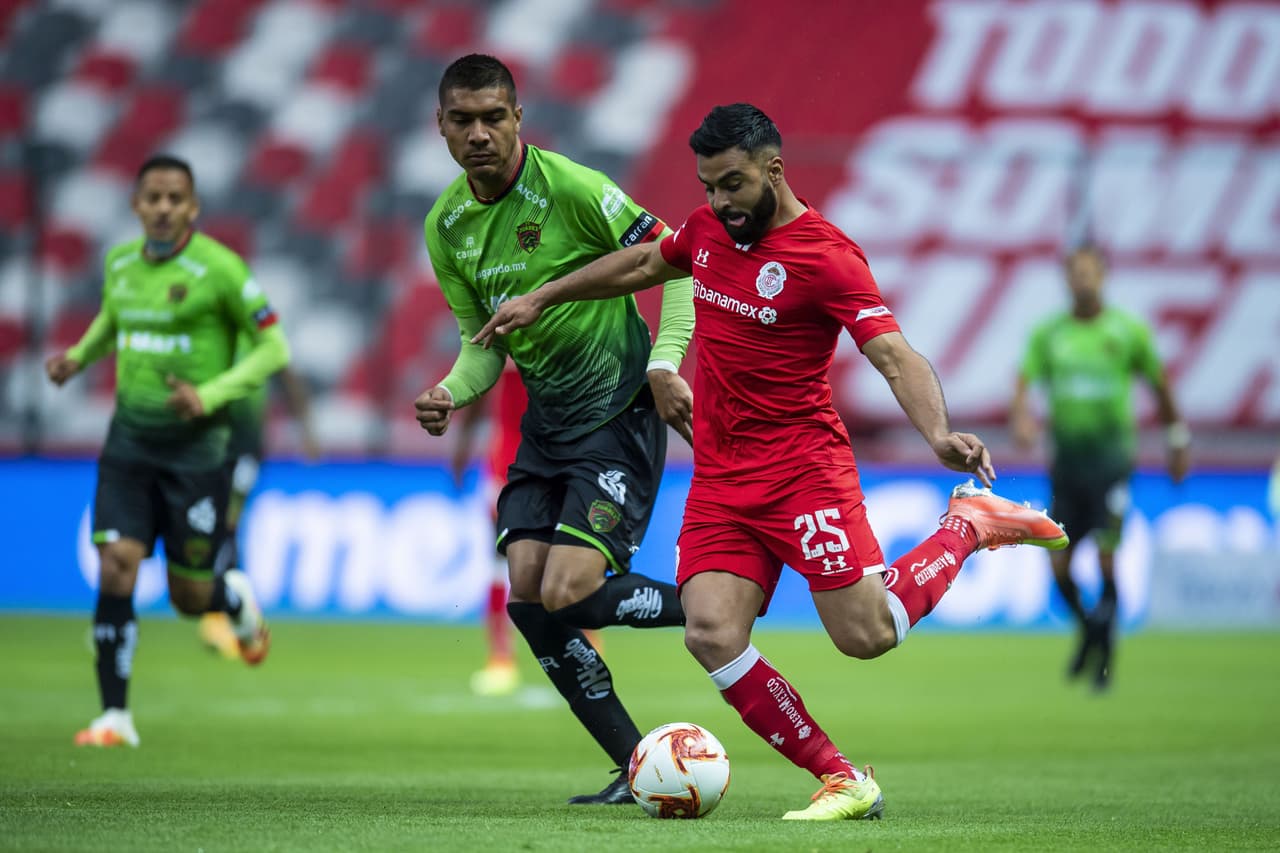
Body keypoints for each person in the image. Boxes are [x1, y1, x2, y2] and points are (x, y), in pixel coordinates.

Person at [475, 103, 1070, 821]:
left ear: (773, 170)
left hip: (802, 471)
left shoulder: (828, 256)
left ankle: (968, 525)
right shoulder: (703, 231)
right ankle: (842, 776)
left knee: (867, 634)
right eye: (708, 187)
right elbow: (639, 262)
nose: (719, 203)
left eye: (732, 184)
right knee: (709, 630)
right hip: (724, 477)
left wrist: (939, 434)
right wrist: (543, 295)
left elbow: (892, 353)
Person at [413, 54, 695, 804]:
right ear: (440, 125)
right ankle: (636, 764)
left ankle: (708, 603)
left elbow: (682, 261)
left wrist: (665, 363)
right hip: (546, 426)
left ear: (518, 118)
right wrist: (448, 389)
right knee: (528, 598)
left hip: (617, 414)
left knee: (569, 588)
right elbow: (484, 349)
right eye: (463, 120)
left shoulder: (571, 189)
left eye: (493, 117)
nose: (479, 134)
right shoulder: (447, 227)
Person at [45, 154, 289, 747]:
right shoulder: (120, 263)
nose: (162, 208)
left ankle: (230, 597)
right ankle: (114, 717)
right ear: (135, 205)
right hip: (129, 444)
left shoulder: (222, 270)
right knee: (117, 564)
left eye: (174, 198)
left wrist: (209, 395)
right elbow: (113, 319)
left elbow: (272, 349)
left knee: (188, 597)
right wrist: (80, 355)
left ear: (193, 207)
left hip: (197, 455)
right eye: (152, 197)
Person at [1010, 244, 1189, 690]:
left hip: (1111, 466)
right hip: (1066, 467)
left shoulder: (1127, 332)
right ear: (1067, 279)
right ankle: (1093, 633)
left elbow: (1160, 387)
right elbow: (1023, 384)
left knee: (1107, 561)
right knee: (1059, 568)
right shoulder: (1049, 334)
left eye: (1090, 273)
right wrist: (1023, 419)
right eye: (1076, 273)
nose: (1083, 281)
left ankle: (1102, 653)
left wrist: (1176, 439)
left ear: (1104, 277)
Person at [198, 358, 319, 659]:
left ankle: (223, 616)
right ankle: (227, 611)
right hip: (210, 446)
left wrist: (305, 428)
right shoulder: (213, 331)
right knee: (216, 525)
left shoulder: (259, 333)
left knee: (226, 525)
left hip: (245, 447)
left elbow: (288, 376)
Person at [448, 363, 525, 696]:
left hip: (546, 464)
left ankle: (583, 636)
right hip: (506, 469)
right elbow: (478, 397)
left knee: (560, 558)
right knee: (500, 563)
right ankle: (500, 655)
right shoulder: (504, 342)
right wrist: (464, 446)